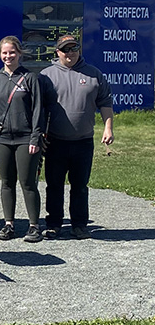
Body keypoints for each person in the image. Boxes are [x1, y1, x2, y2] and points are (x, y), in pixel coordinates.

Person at [39, 34, 114, 240]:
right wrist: (39, 135)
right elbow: (38, 108)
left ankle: (79, 224)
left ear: (79, 50)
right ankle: (54, 223)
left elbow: (105, 103)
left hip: (83, 141)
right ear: (57, 52)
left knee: (80, 186)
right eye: (65, 49)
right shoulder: (46, 75)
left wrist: (108, 128)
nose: (70, 53)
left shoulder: (94, 74)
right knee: (54, 185)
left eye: (73, 48)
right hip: (55, 140)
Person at [0, 36, 44, 243]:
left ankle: (34, 226)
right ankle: (9, 224)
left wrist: (36, 137)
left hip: (26, 138)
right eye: (4, 53)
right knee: (6, 183)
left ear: (19, 53)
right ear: (0, 55)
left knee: (28, 183)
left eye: (12, 52)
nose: (8, 56)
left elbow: (37, 110)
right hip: (1, 139)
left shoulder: (29, 78)